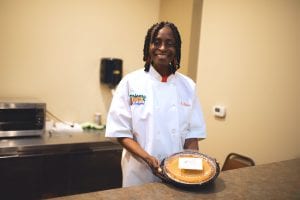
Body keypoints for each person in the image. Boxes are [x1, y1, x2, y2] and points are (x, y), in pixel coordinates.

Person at [105, 21, 206, 187]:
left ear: (177, 49)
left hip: (177, 174)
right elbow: (122, 133)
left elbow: (191, 136)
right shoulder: (131, 83)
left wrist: (194, 170)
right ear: (148, 46)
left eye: (170, 43)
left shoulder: (188, 86)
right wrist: (147, 158)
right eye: (157, 42)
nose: (163, 48)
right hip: (139, 173)